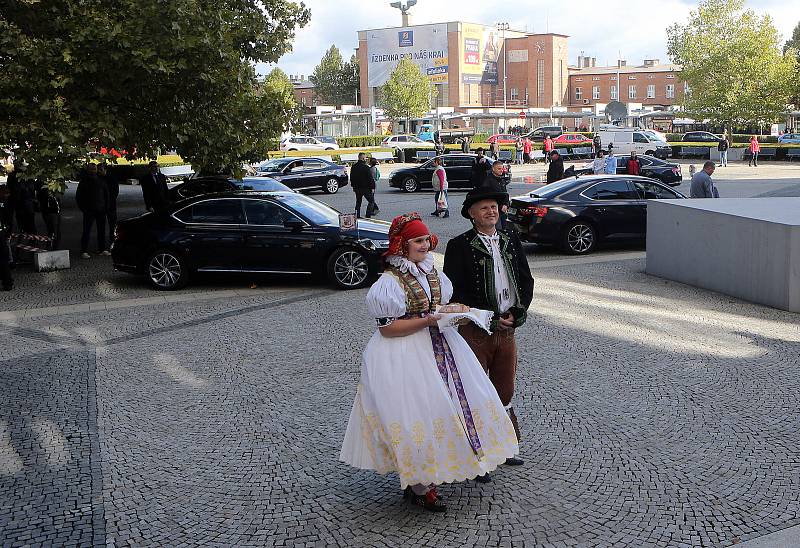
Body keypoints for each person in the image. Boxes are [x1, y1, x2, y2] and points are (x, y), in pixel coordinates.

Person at [340, 213, 519, 512]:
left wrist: (456, 312)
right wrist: (428, 321)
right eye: (417, 240)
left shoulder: (431, 272)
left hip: (442, 348)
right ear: (402, 245)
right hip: (403, 353)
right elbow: (387, 328)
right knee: (415, 414)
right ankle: (419, 483)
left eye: (426, 239)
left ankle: (444, 468)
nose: (424, 245)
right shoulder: (389, 282)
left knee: (449, 405)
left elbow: (437, 307)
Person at [443, 187, 535, 482]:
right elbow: (454, 290)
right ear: (471, 214)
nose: (491, 212)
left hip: (507, 330)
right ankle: (476, 454)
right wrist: (486, 316)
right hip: (475, 330)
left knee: (504, 389)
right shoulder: (459, 245)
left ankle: (506, 447)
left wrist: (518, 313)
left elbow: (525, 279)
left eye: (494, 206)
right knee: (474, 391)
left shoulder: (510, 240)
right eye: (483, 208)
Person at [76, 163, 110, 258]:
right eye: (91, 169)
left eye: (94, 169)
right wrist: (83, 209)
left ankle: (101, 249)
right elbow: (79, 197)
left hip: (100, 209)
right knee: (87, 230)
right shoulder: (84, 181)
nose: (92, 171)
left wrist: (106, 207)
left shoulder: (100, 181)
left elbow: (106, 195)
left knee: (101, 230)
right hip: (89, 210)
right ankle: (84, 250)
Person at [7, 160, 37, 234]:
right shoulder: (27, 175)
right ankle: (30, 236)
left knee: (22, 219)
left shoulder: (13, 175)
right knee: (29, 220)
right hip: (25, 200)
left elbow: (10, 187)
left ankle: (25, 234)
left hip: (20, 200)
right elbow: (33, 188)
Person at [350, 152, 377, 218]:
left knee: (358, 202)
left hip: (357, 188)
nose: (366, 159)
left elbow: (351, 177)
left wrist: (353, 186)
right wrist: (373, 187)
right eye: (365, 158)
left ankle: (357, 216)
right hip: (365, 188)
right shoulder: (366, 167)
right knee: (371, 201)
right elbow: (370, 178)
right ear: (363, 158)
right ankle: (368, 215)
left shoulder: (354, 167)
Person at [36, 181, 61, 249]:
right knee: (53, 231)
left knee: (54, 231)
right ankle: (52, 248)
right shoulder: (42, 183)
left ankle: (52, 247)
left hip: (52, 209)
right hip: (49, 210)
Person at [98, 163, 119, 244]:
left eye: (101, 170)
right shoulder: (98, 178)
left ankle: (112, 242)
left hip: (110, 205)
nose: (99, 172)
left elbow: (115, 191)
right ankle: (102, 244)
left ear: (105, 170)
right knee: (101, 226)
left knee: (112, 225)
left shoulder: (111, 178)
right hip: (101, 205)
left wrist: (110, 200)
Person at [0, 185, 13, 291]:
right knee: (3, 259)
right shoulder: (3, 203)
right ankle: (7, 281)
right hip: (1, 233)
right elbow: (7, 218)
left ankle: (7, 281)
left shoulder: (3, 203)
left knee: (3, 258)